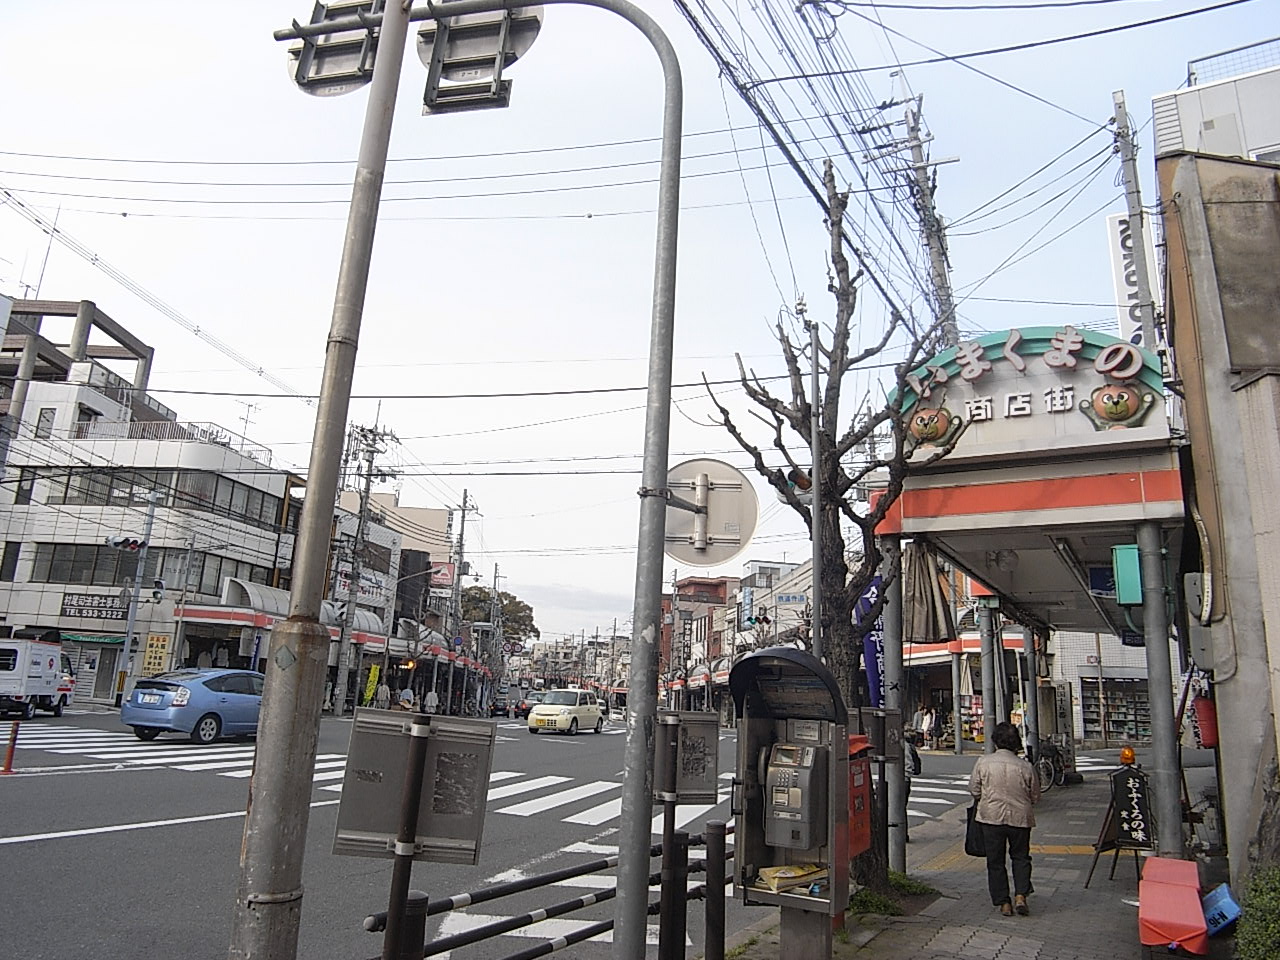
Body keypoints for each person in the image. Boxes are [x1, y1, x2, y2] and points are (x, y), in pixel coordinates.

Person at [968, 721, 1040, 917]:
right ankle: (1021, 896)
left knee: (995, 861)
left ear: (995, 742)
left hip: (991, 818)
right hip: (1020, 818)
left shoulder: (983, 762)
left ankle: (1003, 902)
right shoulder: (1026, 766)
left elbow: (974, 790)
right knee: (1021, 857)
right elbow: (1035, 796)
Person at [904, 732, 923, 842]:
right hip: (905, 779)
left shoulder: (902, 744)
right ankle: (902, 834)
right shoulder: (906, 744)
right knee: (900, 809)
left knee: (898, 808)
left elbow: (908, 766)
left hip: (902, 780)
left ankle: (901, 834)